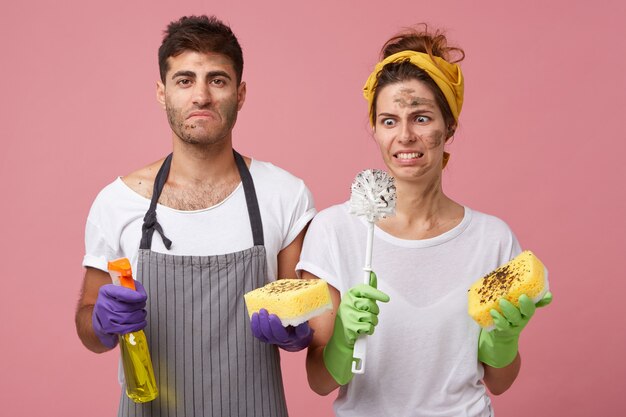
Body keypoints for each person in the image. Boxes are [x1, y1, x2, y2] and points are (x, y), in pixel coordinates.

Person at [296, 26, 553, 416]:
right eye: (388, 121)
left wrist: (504, 339)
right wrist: (344, 337)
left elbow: (499, 382)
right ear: (376, 130)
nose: (404, 136)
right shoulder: (335, 231)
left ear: (448, 126)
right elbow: (319, 382)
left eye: (420, 118)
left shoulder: (492, 238)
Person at [75, 15, 316, 417]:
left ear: (240, 94)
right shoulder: (117, 201)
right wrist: (99, 322)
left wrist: (297, 330)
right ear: (162, 92)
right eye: (185, 80)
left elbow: (304, 313)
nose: (201, 96)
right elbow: (89, 333)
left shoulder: (285, 196)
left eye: (217, 80)